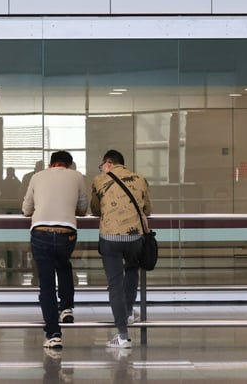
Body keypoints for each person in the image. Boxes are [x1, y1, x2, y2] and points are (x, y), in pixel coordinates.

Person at [21, 150, 89, 350]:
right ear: (69, 165)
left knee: (47, 284)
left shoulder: (37, 177)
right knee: (63, 264)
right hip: (66, 233)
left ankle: (53, 334)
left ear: (51, 164)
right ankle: (66, 307)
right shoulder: (77, 176)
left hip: (41, 232)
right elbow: (83, 209)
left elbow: (26, 209)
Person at [90, 149, 152, 350]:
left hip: (110, 238)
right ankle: (128, 312)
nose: (102, 169)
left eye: (102, 165)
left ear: (108, 163)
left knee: (115, 284)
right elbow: (148, 209)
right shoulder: (140, 179)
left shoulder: (100, 180)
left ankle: (123, 336)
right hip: (135, 238)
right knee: (132, 272)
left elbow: (95, 210)